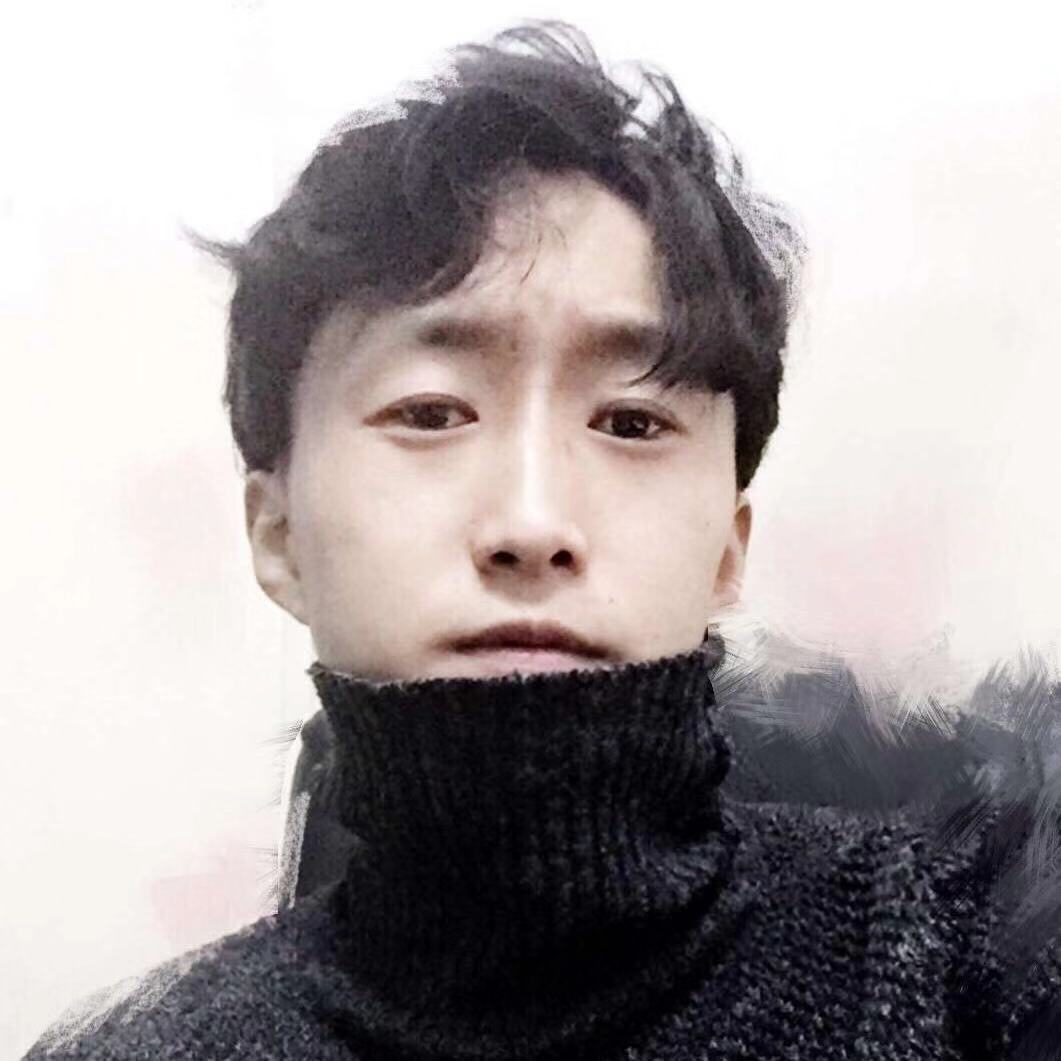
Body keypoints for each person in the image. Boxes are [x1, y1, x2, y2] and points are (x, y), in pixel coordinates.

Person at [23, 20, 1061, 1060]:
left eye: (631, 422)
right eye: (430, 412)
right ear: (278, 532)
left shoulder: (970, 950)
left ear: (726, 551)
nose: (530, 523)